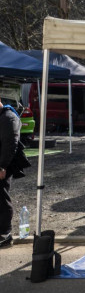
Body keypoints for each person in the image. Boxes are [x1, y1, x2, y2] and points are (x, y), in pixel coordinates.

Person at [0, 98, 21, 248]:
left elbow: (11, 144)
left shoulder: (8, 117)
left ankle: (5, 234)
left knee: (2, 199)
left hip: (2, 166)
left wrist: (2, 166)